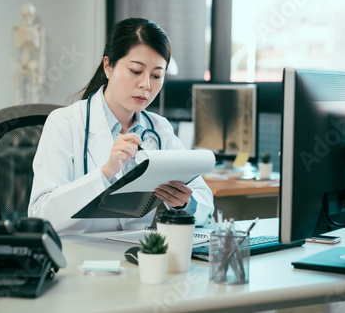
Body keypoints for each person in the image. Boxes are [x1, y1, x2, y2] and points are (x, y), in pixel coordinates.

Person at [28, 18, 214, 235]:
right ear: (108, 66)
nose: (146, 84)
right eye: (136, 71)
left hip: (135, 254)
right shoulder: (65, 123)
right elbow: (40, 214)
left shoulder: (160, 130)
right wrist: (106, 173)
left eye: (156, 75)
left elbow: (205, 204)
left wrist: (185, 203)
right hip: (76, 258)